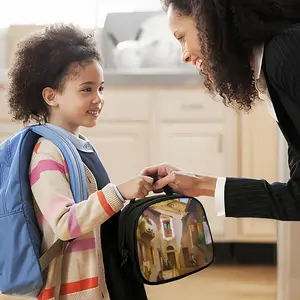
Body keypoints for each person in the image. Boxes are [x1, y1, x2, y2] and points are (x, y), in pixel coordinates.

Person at [7, 24, 153, 300]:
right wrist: (120, 192)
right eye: (86, 89)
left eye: (100, 88)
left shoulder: (78, 145)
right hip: (78, 287)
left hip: (105, 273)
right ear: (51, 96)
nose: (98, 99)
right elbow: (65, 223)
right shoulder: (47, 154)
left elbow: (96, 208)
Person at [142, 0, 300, 221]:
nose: (184, 56)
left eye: (182, 37)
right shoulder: (275, 60)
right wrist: (199, 184)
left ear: (211, 22)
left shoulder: (287, 54)